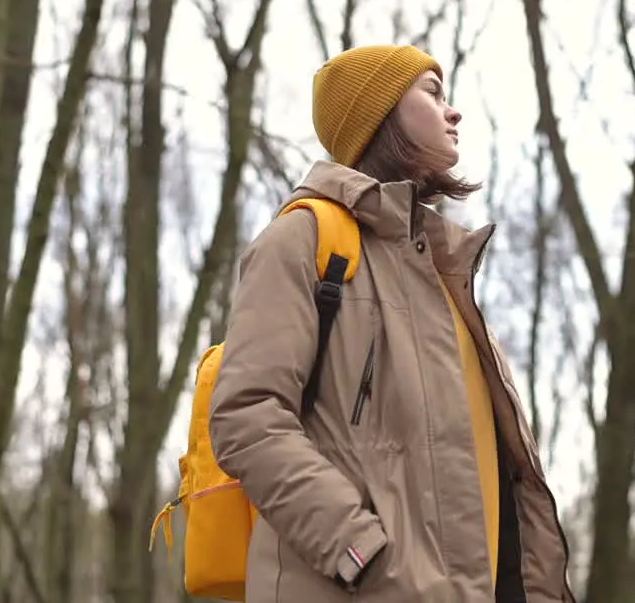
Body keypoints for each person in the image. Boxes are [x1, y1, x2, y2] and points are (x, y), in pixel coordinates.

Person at [208, 44, 576, 602]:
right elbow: (245, 416)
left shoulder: (445, 273)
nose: (453, 113)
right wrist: (360, 551)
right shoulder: (302, 241)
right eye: (431, 93)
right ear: (378, 116)